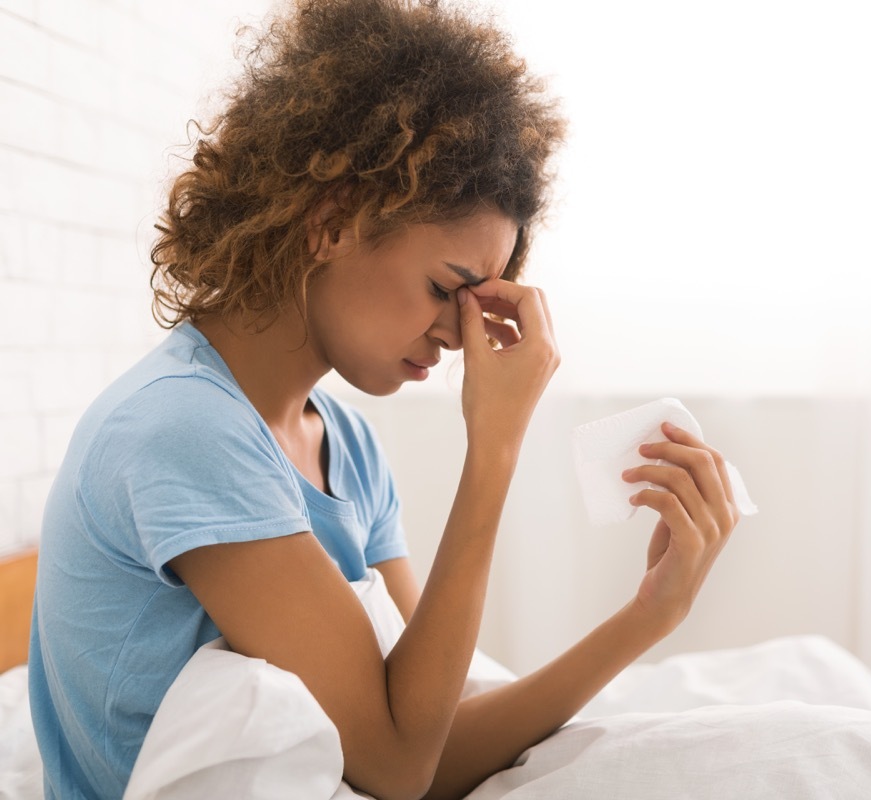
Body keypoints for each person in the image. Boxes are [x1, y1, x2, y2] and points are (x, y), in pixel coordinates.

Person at [28, 1, 740, 798]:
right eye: (446, 289)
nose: (458, 335)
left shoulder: (348, 448)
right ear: (331, 222)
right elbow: (398, 766)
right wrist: (493, 450)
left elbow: (428, 746)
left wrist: (649, 615)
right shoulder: (181, 429)